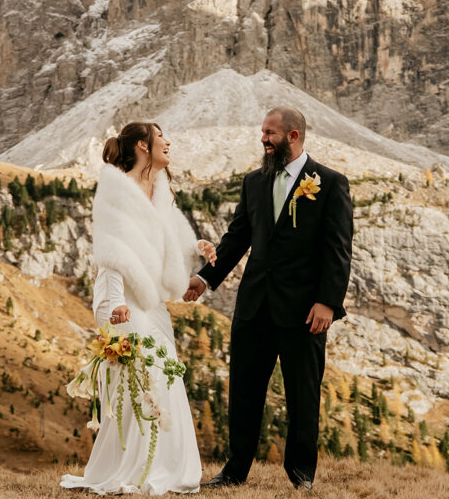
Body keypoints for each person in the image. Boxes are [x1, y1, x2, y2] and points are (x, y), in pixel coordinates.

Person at [184, 107, 353, 490]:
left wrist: (328, 302)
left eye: (270, 133)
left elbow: (338, 250)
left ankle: (301, 476)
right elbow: (237, 237)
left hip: (305, 311)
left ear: (292, 136)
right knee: (244, 391)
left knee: (302, 396)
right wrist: (204, 278)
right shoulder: (254, 182)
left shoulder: (330, 183)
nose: (263, 139)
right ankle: (234, 471)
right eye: (262, 131)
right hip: (254, 306)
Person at [61, 121, 217, 495]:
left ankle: (161, 466)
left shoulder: (162, 190)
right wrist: (116, 305)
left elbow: (168, 239)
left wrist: (199, 246)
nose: (169, 142)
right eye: (163, 137)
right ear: (144, 146)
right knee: (142, 374)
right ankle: (136, 466)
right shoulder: (118, 190)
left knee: (165, 373)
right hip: (119, 294)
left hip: (147, 298)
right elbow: (111, 254)